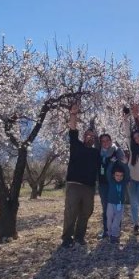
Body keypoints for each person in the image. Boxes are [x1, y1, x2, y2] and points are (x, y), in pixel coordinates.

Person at [61, 102, 101, 248]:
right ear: (84, 136)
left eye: (92, 136)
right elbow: (72, 128)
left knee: (86, 211)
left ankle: (79, 236)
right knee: (71, 211)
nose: (89, 138)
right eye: (87, 135)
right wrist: (73, 114)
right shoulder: (76, 144)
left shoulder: (96, 152)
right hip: (74, 184)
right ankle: (67, 237)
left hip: (89, 187)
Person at [97, 133, 125, 239]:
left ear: (111, 140)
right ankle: (106, 231)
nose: (105, 143)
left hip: (114, 184)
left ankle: (116, 232)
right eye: (103, 141)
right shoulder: (98, 153)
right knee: (106, 208)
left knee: (116, 208)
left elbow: (123, 162)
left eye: (107, 140)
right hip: (103, 184)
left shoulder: (116, 151)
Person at [105, 163, 129, 244]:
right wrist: (111, 163)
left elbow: (128, 174)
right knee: (109, 219)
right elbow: (108, 172)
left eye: (121, 176)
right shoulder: (111, 181)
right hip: (111, 204)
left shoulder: (124, 182)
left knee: (117, 220)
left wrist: (125, 164)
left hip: (120, 204)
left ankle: (114, 236)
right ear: (113, 175)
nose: (119, 177)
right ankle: (110, 233)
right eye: (117, 175)